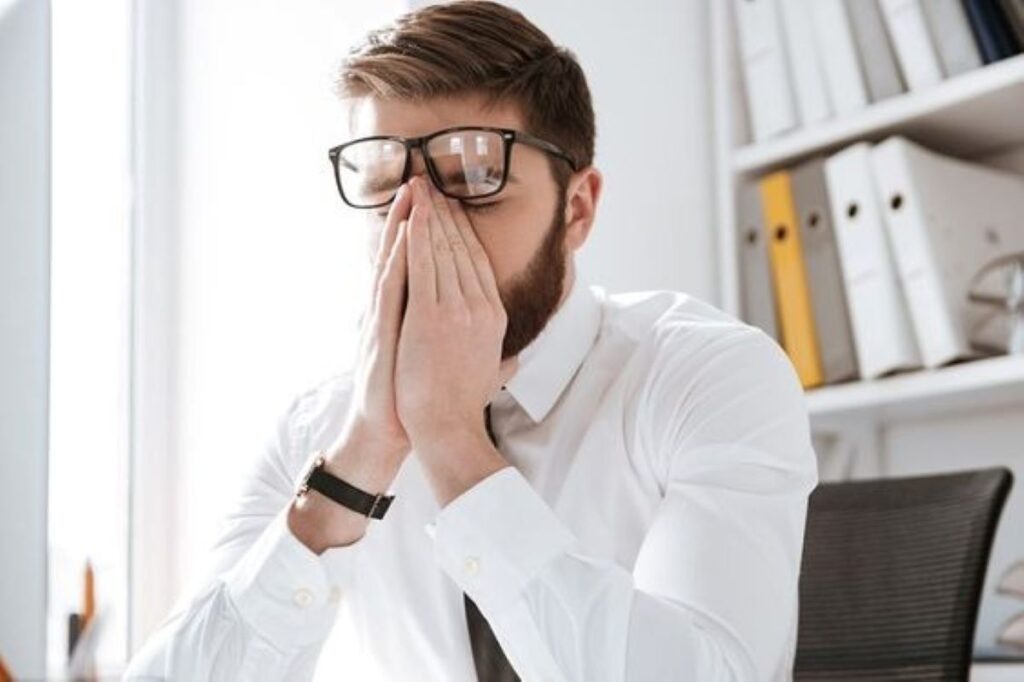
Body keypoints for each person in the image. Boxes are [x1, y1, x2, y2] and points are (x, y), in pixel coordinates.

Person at [125, 2, 818, 680]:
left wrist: (455, 443)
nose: (418, 224)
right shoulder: (322, 429)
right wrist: (361, 459)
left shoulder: (710, 376)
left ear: (576, 209)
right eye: (382, 185)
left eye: (475, 182)